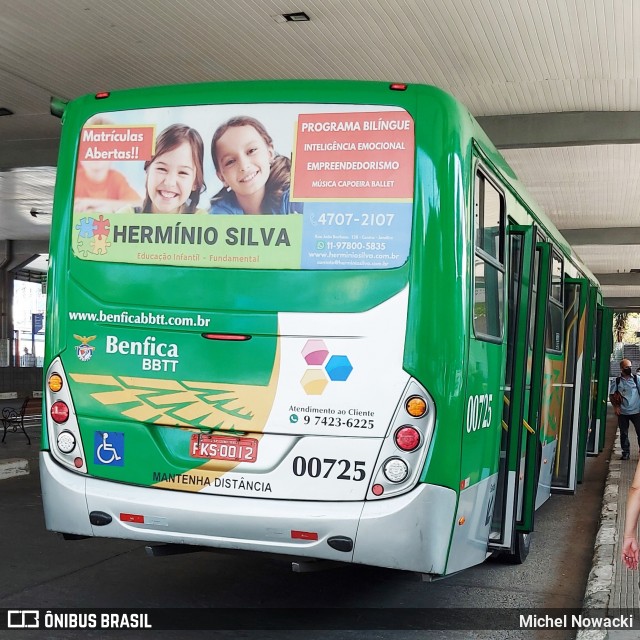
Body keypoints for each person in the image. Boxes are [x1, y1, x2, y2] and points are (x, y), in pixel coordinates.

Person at [209, 116, 301, 215]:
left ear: (269, 153)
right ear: (222, 177)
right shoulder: (218, 215)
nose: (244, 166)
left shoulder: (292, 196)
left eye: (251, 151)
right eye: (230, 161)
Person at [121, 124, 206, 214]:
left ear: (195, 182)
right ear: (147, 171)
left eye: (182, 173)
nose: (169, 182)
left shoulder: (202, 220)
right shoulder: (127, 215)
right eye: (162, 169)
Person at [74, 116, 141, 212]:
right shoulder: (75, 179)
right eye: (90, 146)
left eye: (104, 147)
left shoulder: (116, 178)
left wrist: (95, 203)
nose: (96, 152)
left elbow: (139, 204)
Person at [609, 359, 640, 460]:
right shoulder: (617, 381)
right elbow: (612, 395)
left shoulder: (637, 379)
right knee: (624, 433)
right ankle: (625, 453)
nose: (629, 369)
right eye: (627, 367)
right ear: (621, 368)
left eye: (630, 367)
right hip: (622, 412)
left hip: (636, 411)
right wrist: (616, 407)